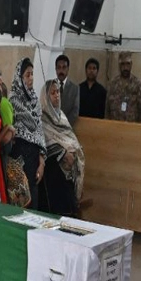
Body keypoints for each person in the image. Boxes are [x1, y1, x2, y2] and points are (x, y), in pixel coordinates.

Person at [39, 80, 85, 215]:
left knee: (70, 210)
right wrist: (63, 153)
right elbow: (47, 141)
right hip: (52, 170)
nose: (56, 95)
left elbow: (70, 138)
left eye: (58, 91)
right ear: (46, 96)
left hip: (68, 171)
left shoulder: (62, 116)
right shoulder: (43, 117)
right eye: (52, 93)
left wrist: (73, 152)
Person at [9, 57, 46, 209]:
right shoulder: (13, 99)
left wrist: (42, 162)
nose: (31, 78)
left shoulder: (35, 101)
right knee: (21, 202)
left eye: (32, 74)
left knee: (34, 201)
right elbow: (31, 123)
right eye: (27, 75)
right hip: (19, 157)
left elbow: (39, 132)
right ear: (20, 77)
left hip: (34, 159)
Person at [106, 51, 141, 122]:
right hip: (115, 126)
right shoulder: (112, 84)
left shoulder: (138, 85)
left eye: (128, 64)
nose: (125, 67)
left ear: (131, 65)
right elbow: (107, 109)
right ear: (119, 65)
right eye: (122, 64)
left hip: (131, 127)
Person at [51, 54, 79, 126]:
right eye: (59, 67)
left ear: (68, 69)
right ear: (55, 69)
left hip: (67, 128)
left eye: (64, 67)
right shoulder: (49, 87)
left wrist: (64, 125)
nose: (61, 70)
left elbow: (75, 111)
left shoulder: (75, 89)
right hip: (52, 128)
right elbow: (46, 107)